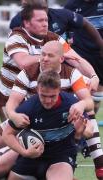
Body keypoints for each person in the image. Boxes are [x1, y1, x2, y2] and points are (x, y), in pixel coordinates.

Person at [0, 40, 94, 179]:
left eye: (50, 55)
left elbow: (89, 103)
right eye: (43, 54)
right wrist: (14, 116)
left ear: (61, 58)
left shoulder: (72, 75)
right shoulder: (28, 73)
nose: (45, 58)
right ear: (38, 89)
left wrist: (81, 104)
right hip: (27, 124)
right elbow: (11, 104)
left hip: (58, 128)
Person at [2, 70, 93, 180]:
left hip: (61, 157)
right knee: (0, 168)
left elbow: (89, 131)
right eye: (43, 96)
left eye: (52, 96)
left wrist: (81, 131)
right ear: (37, 90)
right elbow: (7, 134)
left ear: (59, 90)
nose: (48, 100)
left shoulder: (70, 104)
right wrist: (25, 152)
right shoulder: (28, 108)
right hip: (31, 158)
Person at [64, 1, 103, 179]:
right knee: (85, 99)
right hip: (81, 58)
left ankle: (85, 135)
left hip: (100, 55)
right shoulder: (71, 5)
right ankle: (82, 138)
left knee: (95, 98)